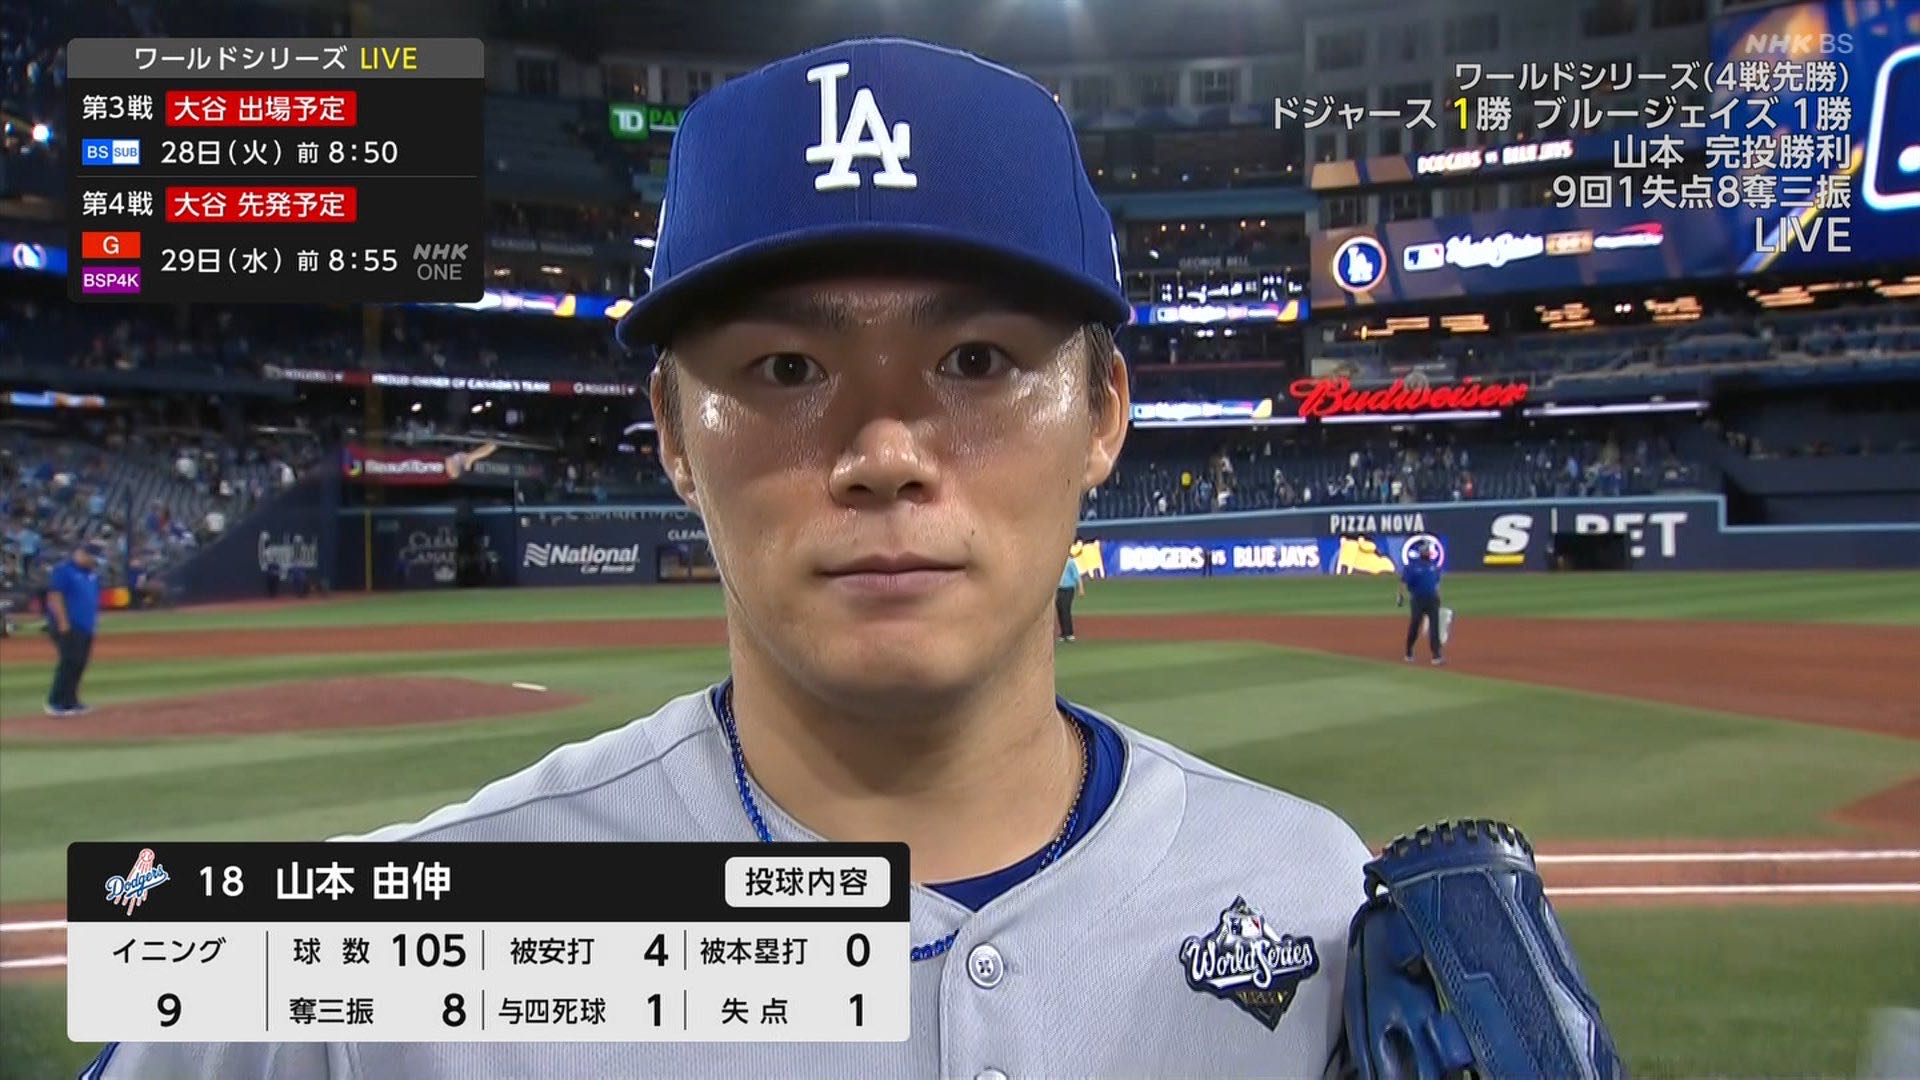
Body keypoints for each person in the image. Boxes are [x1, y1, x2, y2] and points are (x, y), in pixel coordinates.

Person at [95, 38, 1372, 1079]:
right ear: (670, 432)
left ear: (1102, 415)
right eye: (787, 367)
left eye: (976, 361)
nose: (884, 452)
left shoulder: (1320, 898)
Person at [44, 540, 103, 716]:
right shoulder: (65, 571)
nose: (94, 563)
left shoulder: (91, 574)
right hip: (68, 625)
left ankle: (71, 701)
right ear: (82, 554)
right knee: (69, 662)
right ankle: (55, 702)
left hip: (85, 626)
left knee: (79, 663)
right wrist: (63, 623)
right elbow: (55, 597)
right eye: (92, 559)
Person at [1397, 538, 1446, 666]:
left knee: (1434, 627)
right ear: (1422, 553)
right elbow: (1404, 582)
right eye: (1426, 551)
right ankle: (1409, 651)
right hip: (1418, 600)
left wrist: (1439, 597)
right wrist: (1401, 596)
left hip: (1432, 600)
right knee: (1415, 625)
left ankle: (1436, 655)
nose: (1428, 553)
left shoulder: (1434, 567)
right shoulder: (1412, 567)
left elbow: (1436, 584)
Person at [1056, 549, 1084, 641]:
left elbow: (1077, 576)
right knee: (1060, 609)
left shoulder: (1070, 562)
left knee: (1065, 609)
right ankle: (1063, 633)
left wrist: (1081, 588)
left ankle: (1069, 633)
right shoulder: (1057, 562)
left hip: (1069, 588)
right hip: (1060, 589)